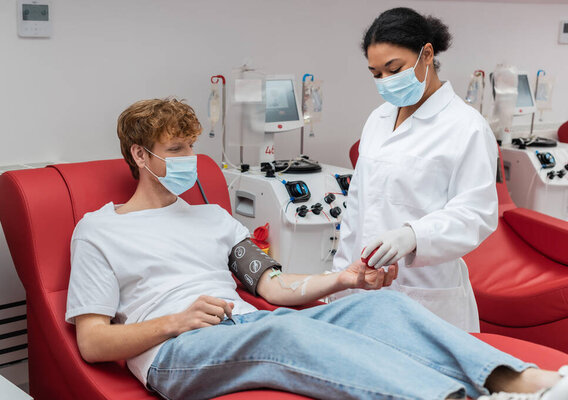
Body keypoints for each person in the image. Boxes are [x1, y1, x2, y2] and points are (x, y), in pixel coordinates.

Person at [65, 98, 567, 400]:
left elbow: (274, 286)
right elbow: (92, 342)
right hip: (174, 352)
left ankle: (522, 381)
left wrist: (345, 280)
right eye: (176, 151)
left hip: (245, 325)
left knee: (380, 305)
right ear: (139, 154)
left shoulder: (213, 219)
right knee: (283, 334)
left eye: (191, 148)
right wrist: (174, 321)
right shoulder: (100, 231)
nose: (189, 161)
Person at [333, 7, 498, 332]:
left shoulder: (467, 127)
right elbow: (356, 209)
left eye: (394, 69)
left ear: (426, 54)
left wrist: (413, 235)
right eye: (376, 74)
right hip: (362, 287)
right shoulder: (378, 119)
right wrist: (338, 279)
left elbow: (475, 213)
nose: (385, 82)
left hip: (426, 293)